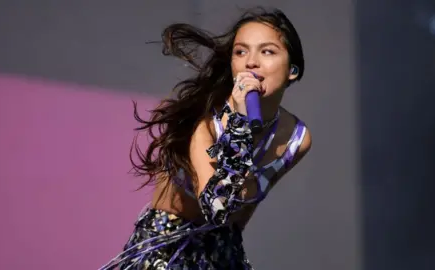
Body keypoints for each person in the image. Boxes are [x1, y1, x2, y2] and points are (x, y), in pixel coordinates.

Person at [100, 6, 312, 270]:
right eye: (240, 52)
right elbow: (217, 206)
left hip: (222, 251)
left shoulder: (295, 138)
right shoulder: (204, 121)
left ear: (293, 70)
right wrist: (240, 124)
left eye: (267, 51)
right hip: (165, 250)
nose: (251, 62)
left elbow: (242, 210)